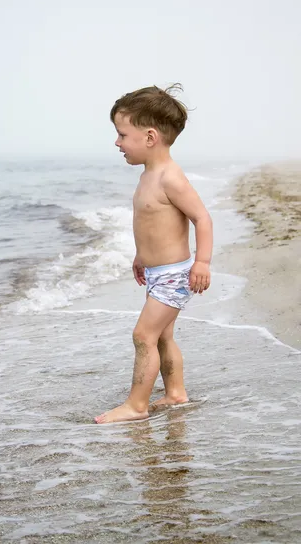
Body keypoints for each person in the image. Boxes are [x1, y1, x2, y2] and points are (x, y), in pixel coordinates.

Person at [94, 85, 213, 424]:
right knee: (162, 335)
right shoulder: (148, 175)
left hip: (175, 275)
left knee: (142, 335)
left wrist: (202, 262)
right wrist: (139, 255)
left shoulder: (170, 177)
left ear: (149, 137)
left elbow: (202, 218)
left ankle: (137, 405)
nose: (117, 143)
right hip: (159, 272)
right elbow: (149, 222)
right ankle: (176, 393)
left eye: (122, 134)